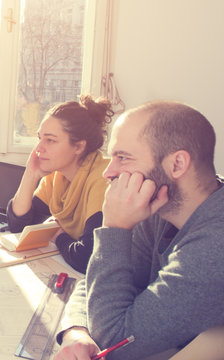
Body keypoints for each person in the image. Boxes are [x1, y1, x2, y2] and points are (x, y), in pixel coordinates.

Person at [54, 101, 224, 360]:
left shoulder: (215, 245)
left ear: (177, 164)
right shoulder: (159, 207)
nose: (108, 173)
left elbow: (116, 341)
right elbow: (98, 282)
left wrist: (114, 228)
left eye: (123, 157)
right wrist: (76, 332)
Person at [6, 95, 114, 273]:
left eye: (50, 140)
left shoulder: (103, 179)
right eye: (39, 138)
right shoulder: (56, 175)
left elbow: (86, 257)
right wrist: (30, 175)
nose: (38, 148)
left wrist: (58, 235)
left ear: (78, 147)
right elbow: (20, 227)